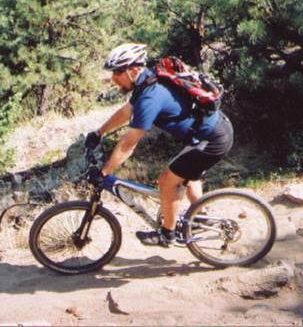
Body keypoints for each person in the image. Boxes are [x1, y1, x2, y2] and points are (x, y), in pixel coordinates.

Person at [85, 43, 234, 247]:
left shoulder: (150, 96)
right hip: (207, 134)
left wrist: (104, 173)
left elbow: (128, 144)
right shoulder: (147, 81)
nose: (113, 78)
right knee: (184, 175)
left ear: (133, 70)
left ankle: (167, 234)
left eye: (118, 72)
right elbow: (127, 111)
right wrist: (99, 132)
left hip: (212, 139)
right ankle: (201, 217)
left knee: (166, 181)